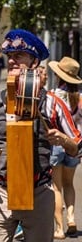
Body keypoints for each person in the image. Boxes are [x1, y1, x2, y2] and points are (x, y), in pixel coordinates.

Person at [0, 29, 82, 241]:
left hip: (40, 192)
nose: (11, 61)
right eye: (9, 56)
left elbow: (78, 144)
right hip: (0, 191)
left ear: (34, 61)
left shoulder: (52, 104)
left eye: (18, 56)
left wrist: (64, 140)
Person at [48, 56, 82, 239]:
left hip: (57, 146)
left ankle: (59, 228)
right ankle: (71, 219)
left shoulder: (52, 96)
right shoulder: (80, 98)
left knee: (56, 186)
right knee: (69, 184)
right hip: (75, 146)